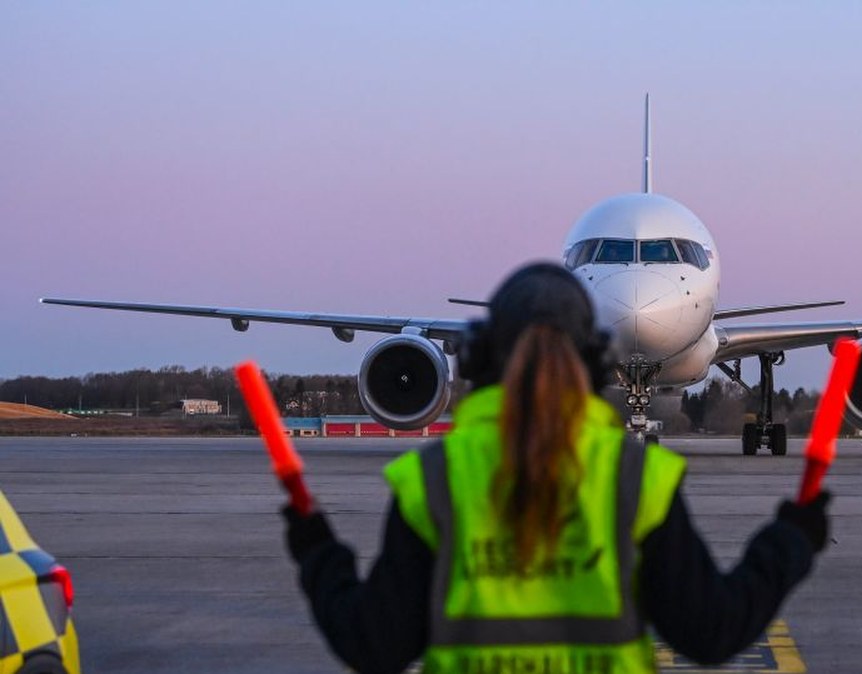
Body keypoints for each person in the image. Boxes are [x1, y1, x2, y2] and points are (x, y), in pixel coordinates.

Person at [282, 261, 831, 674]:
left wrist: (315, 546)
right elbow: (713, 632)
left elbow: (372, 645)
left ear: (478, 356)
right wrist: (792, 538)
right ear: (595, 362)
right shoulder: (633, 479)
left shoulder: (435, 479)